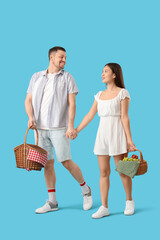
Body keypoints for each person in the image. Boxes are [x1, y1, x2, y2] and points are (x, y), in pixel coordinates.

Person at [25, 46, 93, 214]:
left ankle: (86, 190)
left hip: (59, 128)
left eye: (65, 58)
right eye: (61, 57)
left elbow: (72, 104)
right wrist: (30, 117)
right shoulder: (36, 77)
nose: (64, 60)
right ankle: (52, 202)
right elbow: (28, 100)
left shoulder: (68, 78)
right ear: (51, 57)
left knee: (66, 162)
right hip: (40, 129)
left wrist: (71, 125)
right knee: (47, 164)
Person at [75, 63, 136, 219]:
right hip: (102, 135)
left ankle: (129, 201)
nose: (102, 74)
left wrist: (129, 140)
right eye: (102, 71)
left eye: (106, 71)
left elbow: (124, 117)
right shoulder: (99, 95)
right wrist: (76, 130)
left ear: (114, 75)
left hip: (117, 134)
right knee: (103, 172)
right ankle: (104, 207)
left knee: (123, 171)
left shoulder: (123, 93)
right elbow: (89, 116)